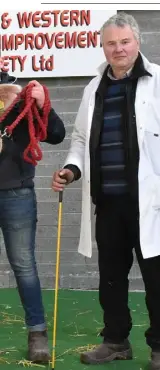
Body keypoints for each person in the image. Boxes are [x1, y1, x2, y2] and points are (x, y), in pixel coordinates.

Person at [51, 12, 160, 370]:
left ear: (137, 42)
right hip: (109, 202)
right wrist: (72, 169)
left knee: (155, 279)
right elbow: (82, 139)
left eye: (124, 41)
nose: (118, 49)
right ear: (103, 47)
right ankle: (115, 340)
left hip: (149, 202)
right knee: (111, 277)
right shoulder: (94, 87)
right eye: (111, 43)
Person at [0, 59, 66, 362]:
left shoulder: (24, 91)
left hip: (17, 193)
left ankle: (37, 332)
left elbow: (56, 134)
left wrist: (43, 105)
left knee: (24, 265)